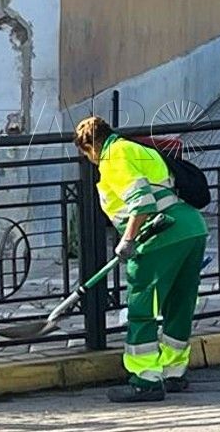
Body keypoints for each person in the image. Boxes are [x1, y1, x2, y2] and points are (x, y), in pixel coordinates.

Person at [73, 116, 209, 403]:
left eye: (87, 156)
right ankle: (174, 372)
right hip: (191, 227)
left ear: (90, 147)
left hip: (160, 236)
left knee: (142, 306)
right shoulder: (136, 148)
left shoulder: (113, 156)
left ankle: (146, 379)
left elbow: (142, 201)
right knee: (179, 304)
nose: (91, 162)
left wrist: (128, 240)